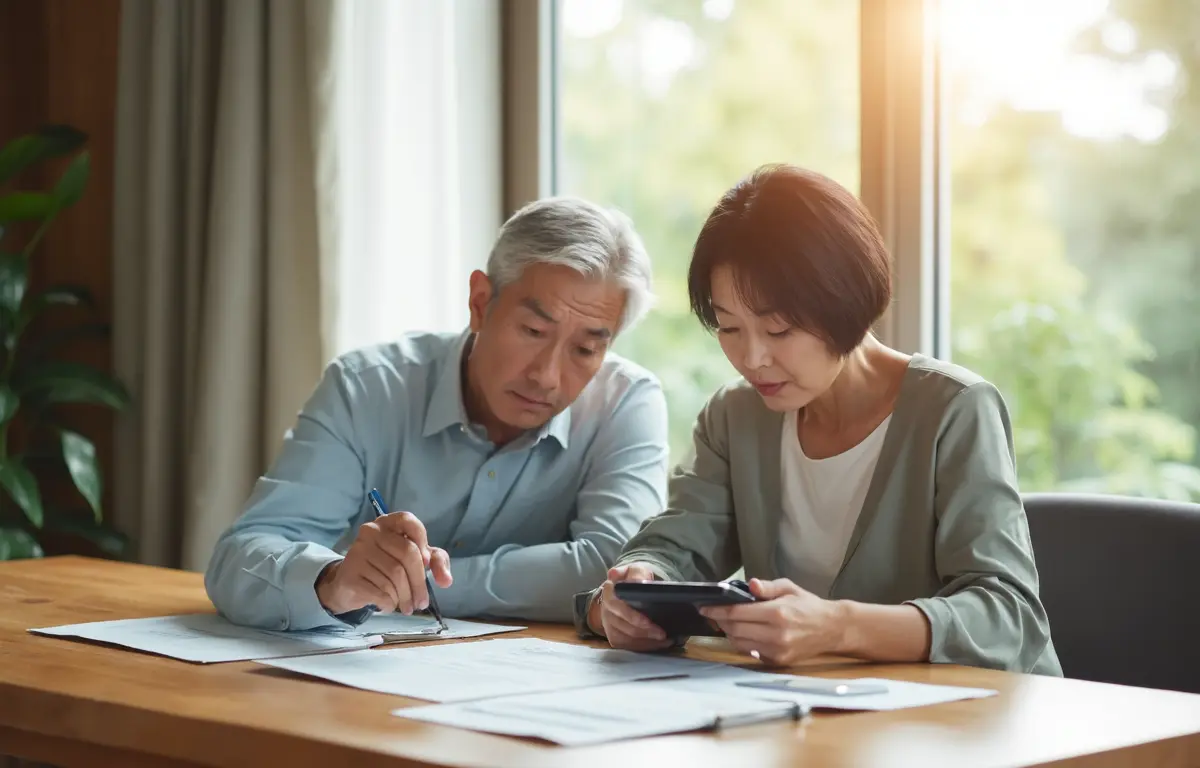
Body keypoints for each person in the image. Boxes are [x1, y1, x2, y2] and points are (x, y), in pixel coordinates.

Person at [574, 164, 1062, 675]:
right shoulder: (735, 417)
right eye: (729, 327)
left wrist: (837, 626)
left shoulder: (954, 409)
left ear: (846, 299)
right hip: (826, 717)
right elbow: (676, 546)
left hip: (978, 724)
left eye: (779, 328)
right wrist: (640, 585)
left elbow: (1009, 615)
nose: (752, 357)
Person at [206, 196, 669, 630]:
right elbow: (239, 559)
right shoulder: (368, 388)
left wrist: (418, 584)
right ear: (480, 303)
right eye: (531, 330)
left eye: (586, 349)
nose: (546, 376)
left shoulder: (626, 404)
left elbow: (617, 569)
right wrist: (333, 580)